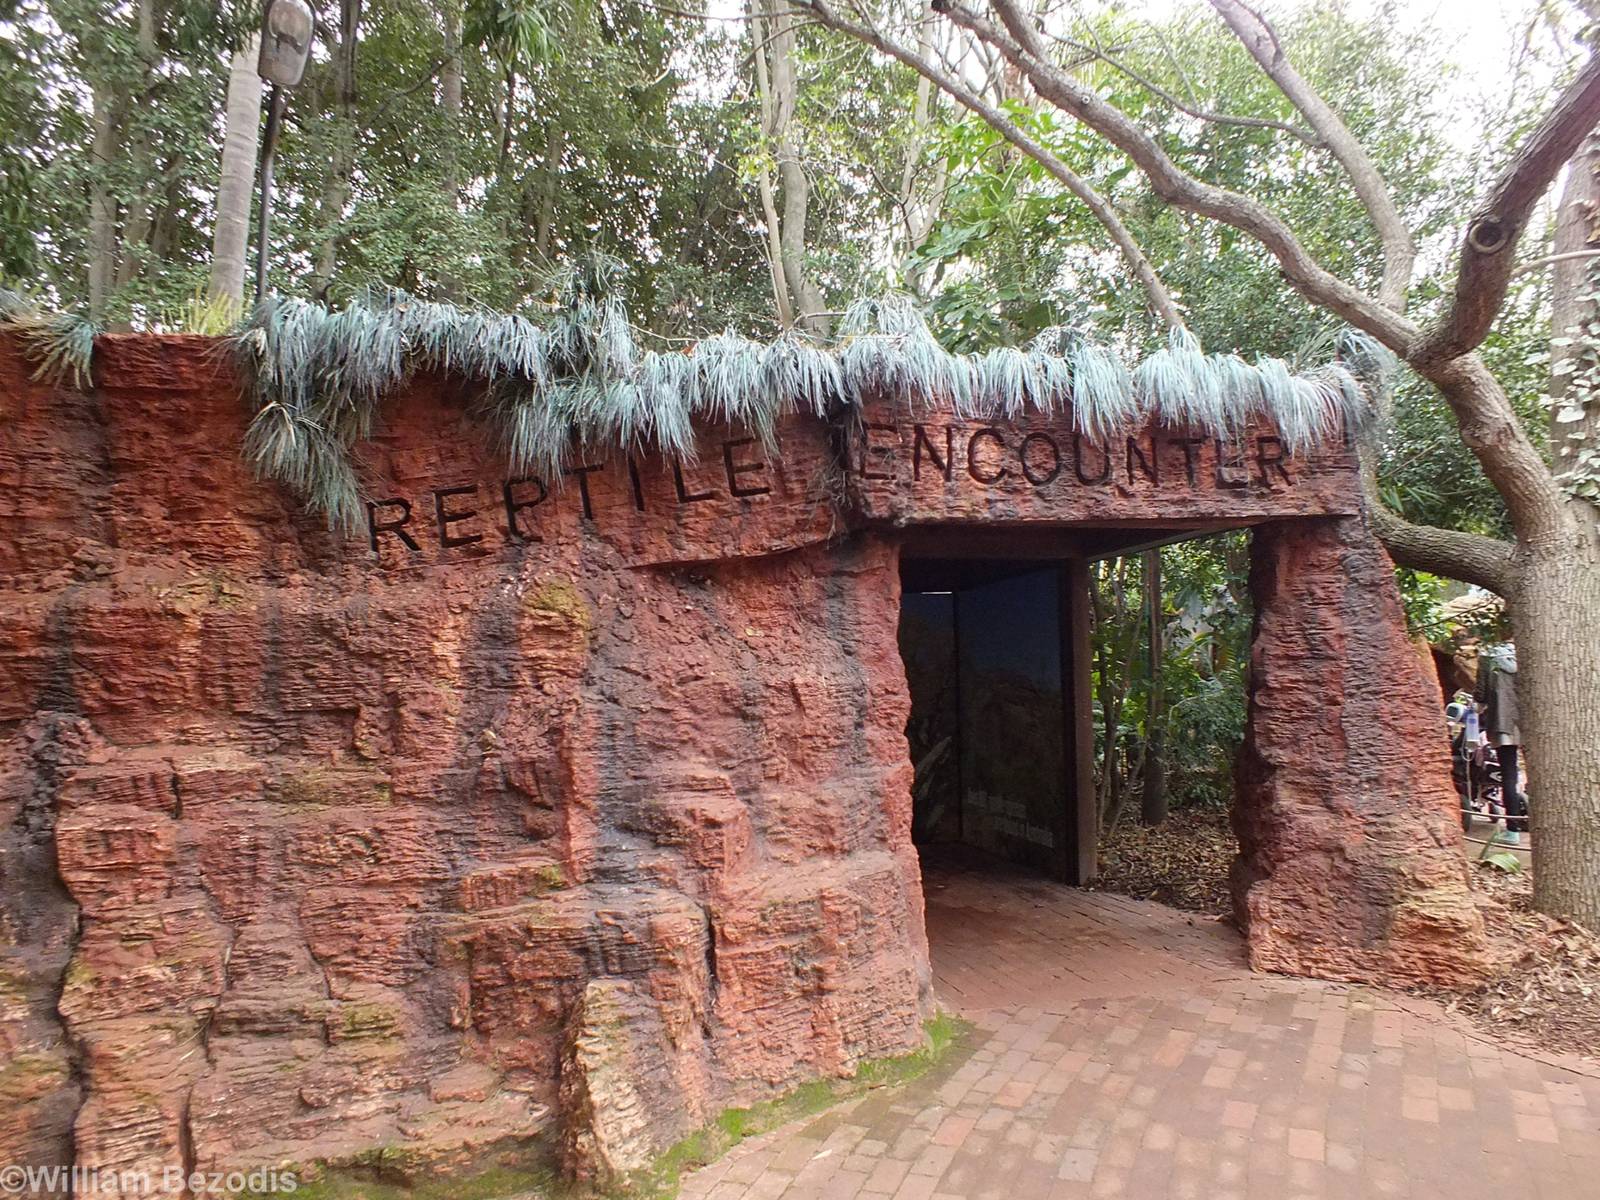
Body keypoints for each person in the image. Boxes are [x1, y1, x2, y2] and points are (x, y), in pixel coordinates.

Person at [1474, 644, 1526, 843]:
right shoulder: (1526, 653)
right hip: (1529, 723)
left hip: (1502, 722)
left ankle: (1512, 831)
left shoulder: (1488, 656)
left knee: (1509, 776)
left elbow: (1481, 695)